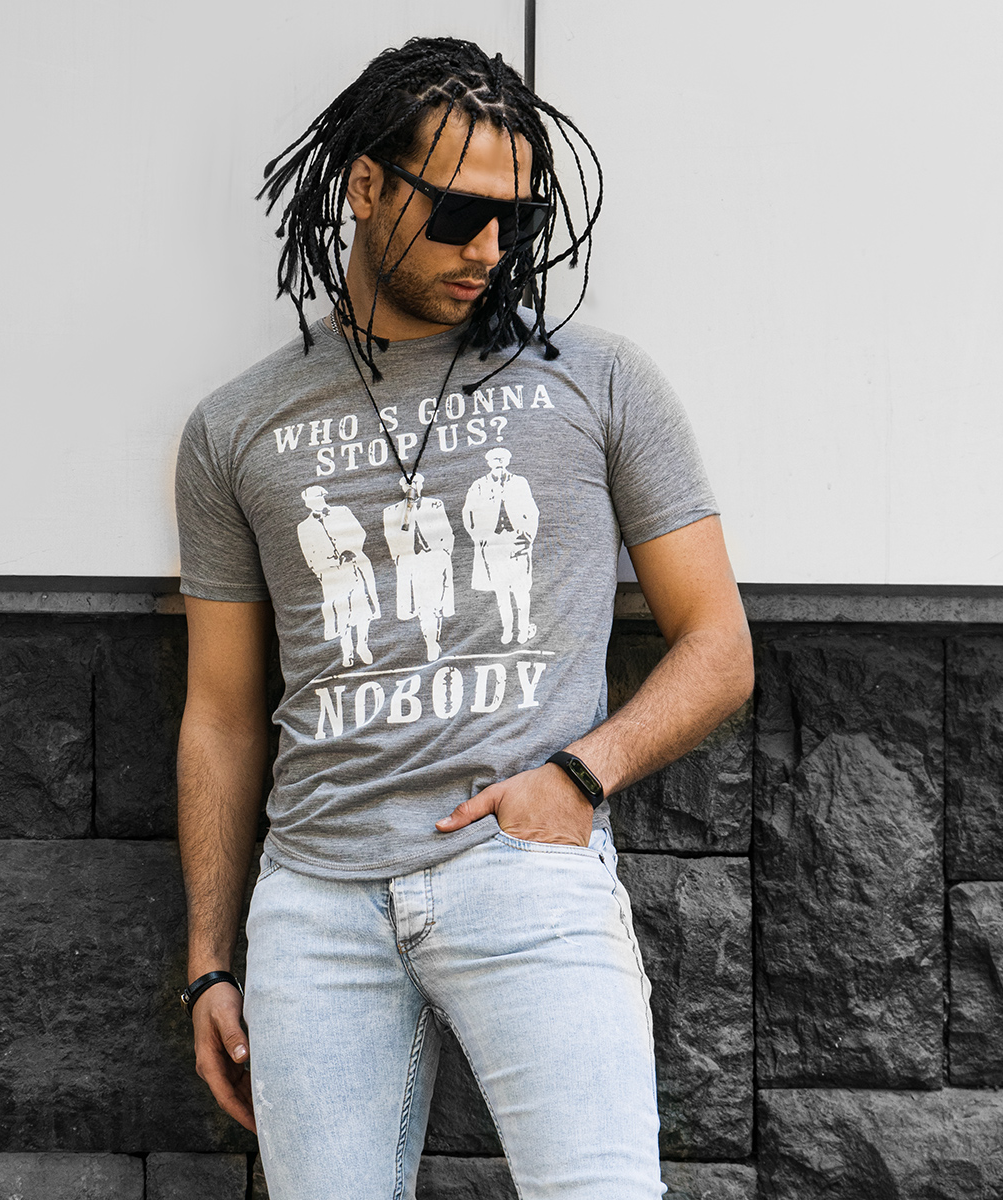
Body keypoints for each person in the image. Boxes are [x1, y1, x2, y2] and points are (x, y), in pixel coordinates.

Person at [174, 36, 753, 1200]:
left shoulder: (598, 381)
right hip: (316, 903)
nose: (488, 249)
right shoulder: (234, 429)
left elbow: (719, 647)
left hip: (523, 865)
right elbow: (222, 715)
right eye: (456, 214)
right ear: (366, 187)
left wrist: (577, 780)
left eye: (516, 220)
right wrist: (209, 963)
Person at [297, 483, 381, 666]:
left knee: (362, 608)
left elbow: (359, 532)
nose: (314, 503)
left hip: (354, 564)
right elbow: (309, 554)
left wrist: (349, 551)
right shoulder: (304, 526)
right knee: (341, 613)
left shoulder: (342, 511)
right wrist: (326, 568)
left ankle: (363, 645)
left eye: (318, 498)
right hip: (331, 575)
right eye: (311, 500)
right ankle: (347, 652)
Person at [462, 446, 539, 645]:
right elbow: (468, 513)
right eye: (494, 459)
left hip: (517, 542)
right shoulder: (479, 485)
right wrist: (479, 537)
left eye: (502, 459)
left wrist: (528, 536)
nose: (498, 462)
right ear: (489, 463)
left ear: (507, 461)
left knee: (521, 590)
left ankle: (523, 629)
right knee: (501, 591)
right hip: (493, 545)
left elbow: (532, 511)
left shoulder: (520, 482)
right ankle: (507, 630)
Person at [383, 472, 455, 662]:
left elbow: (446, 531)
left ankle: (433, 639)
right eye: (408, 484)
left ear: (422, 484)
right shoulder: (391, 511)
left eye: (416, 482)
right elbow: (391, 537)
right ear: (402, 487)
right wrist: (399, 559)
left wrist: (444, 553)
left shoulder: (435, 504)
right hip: (411, 562)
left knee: (436, 602)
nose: (413, 486)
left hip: (434, 558)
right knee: (423, 605)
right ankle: (431, 642)